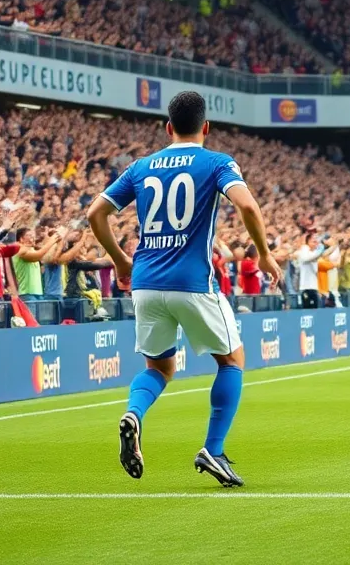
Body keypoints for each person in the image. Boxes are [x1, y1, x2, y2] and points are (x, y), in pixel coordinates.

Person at [87, 91, 282, 488]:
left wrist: (121, 261)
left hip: (144, 283)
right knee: (231, 360)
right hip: (192, 282)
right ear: (206, 128)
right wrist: (263, 254)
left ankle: (134, 414)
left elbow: (95, 213)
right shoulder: (216, 163)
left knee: (159, 367)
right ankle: (214, 448)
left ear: (167, 127)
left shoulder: (141, 167)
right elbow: (247, 206)